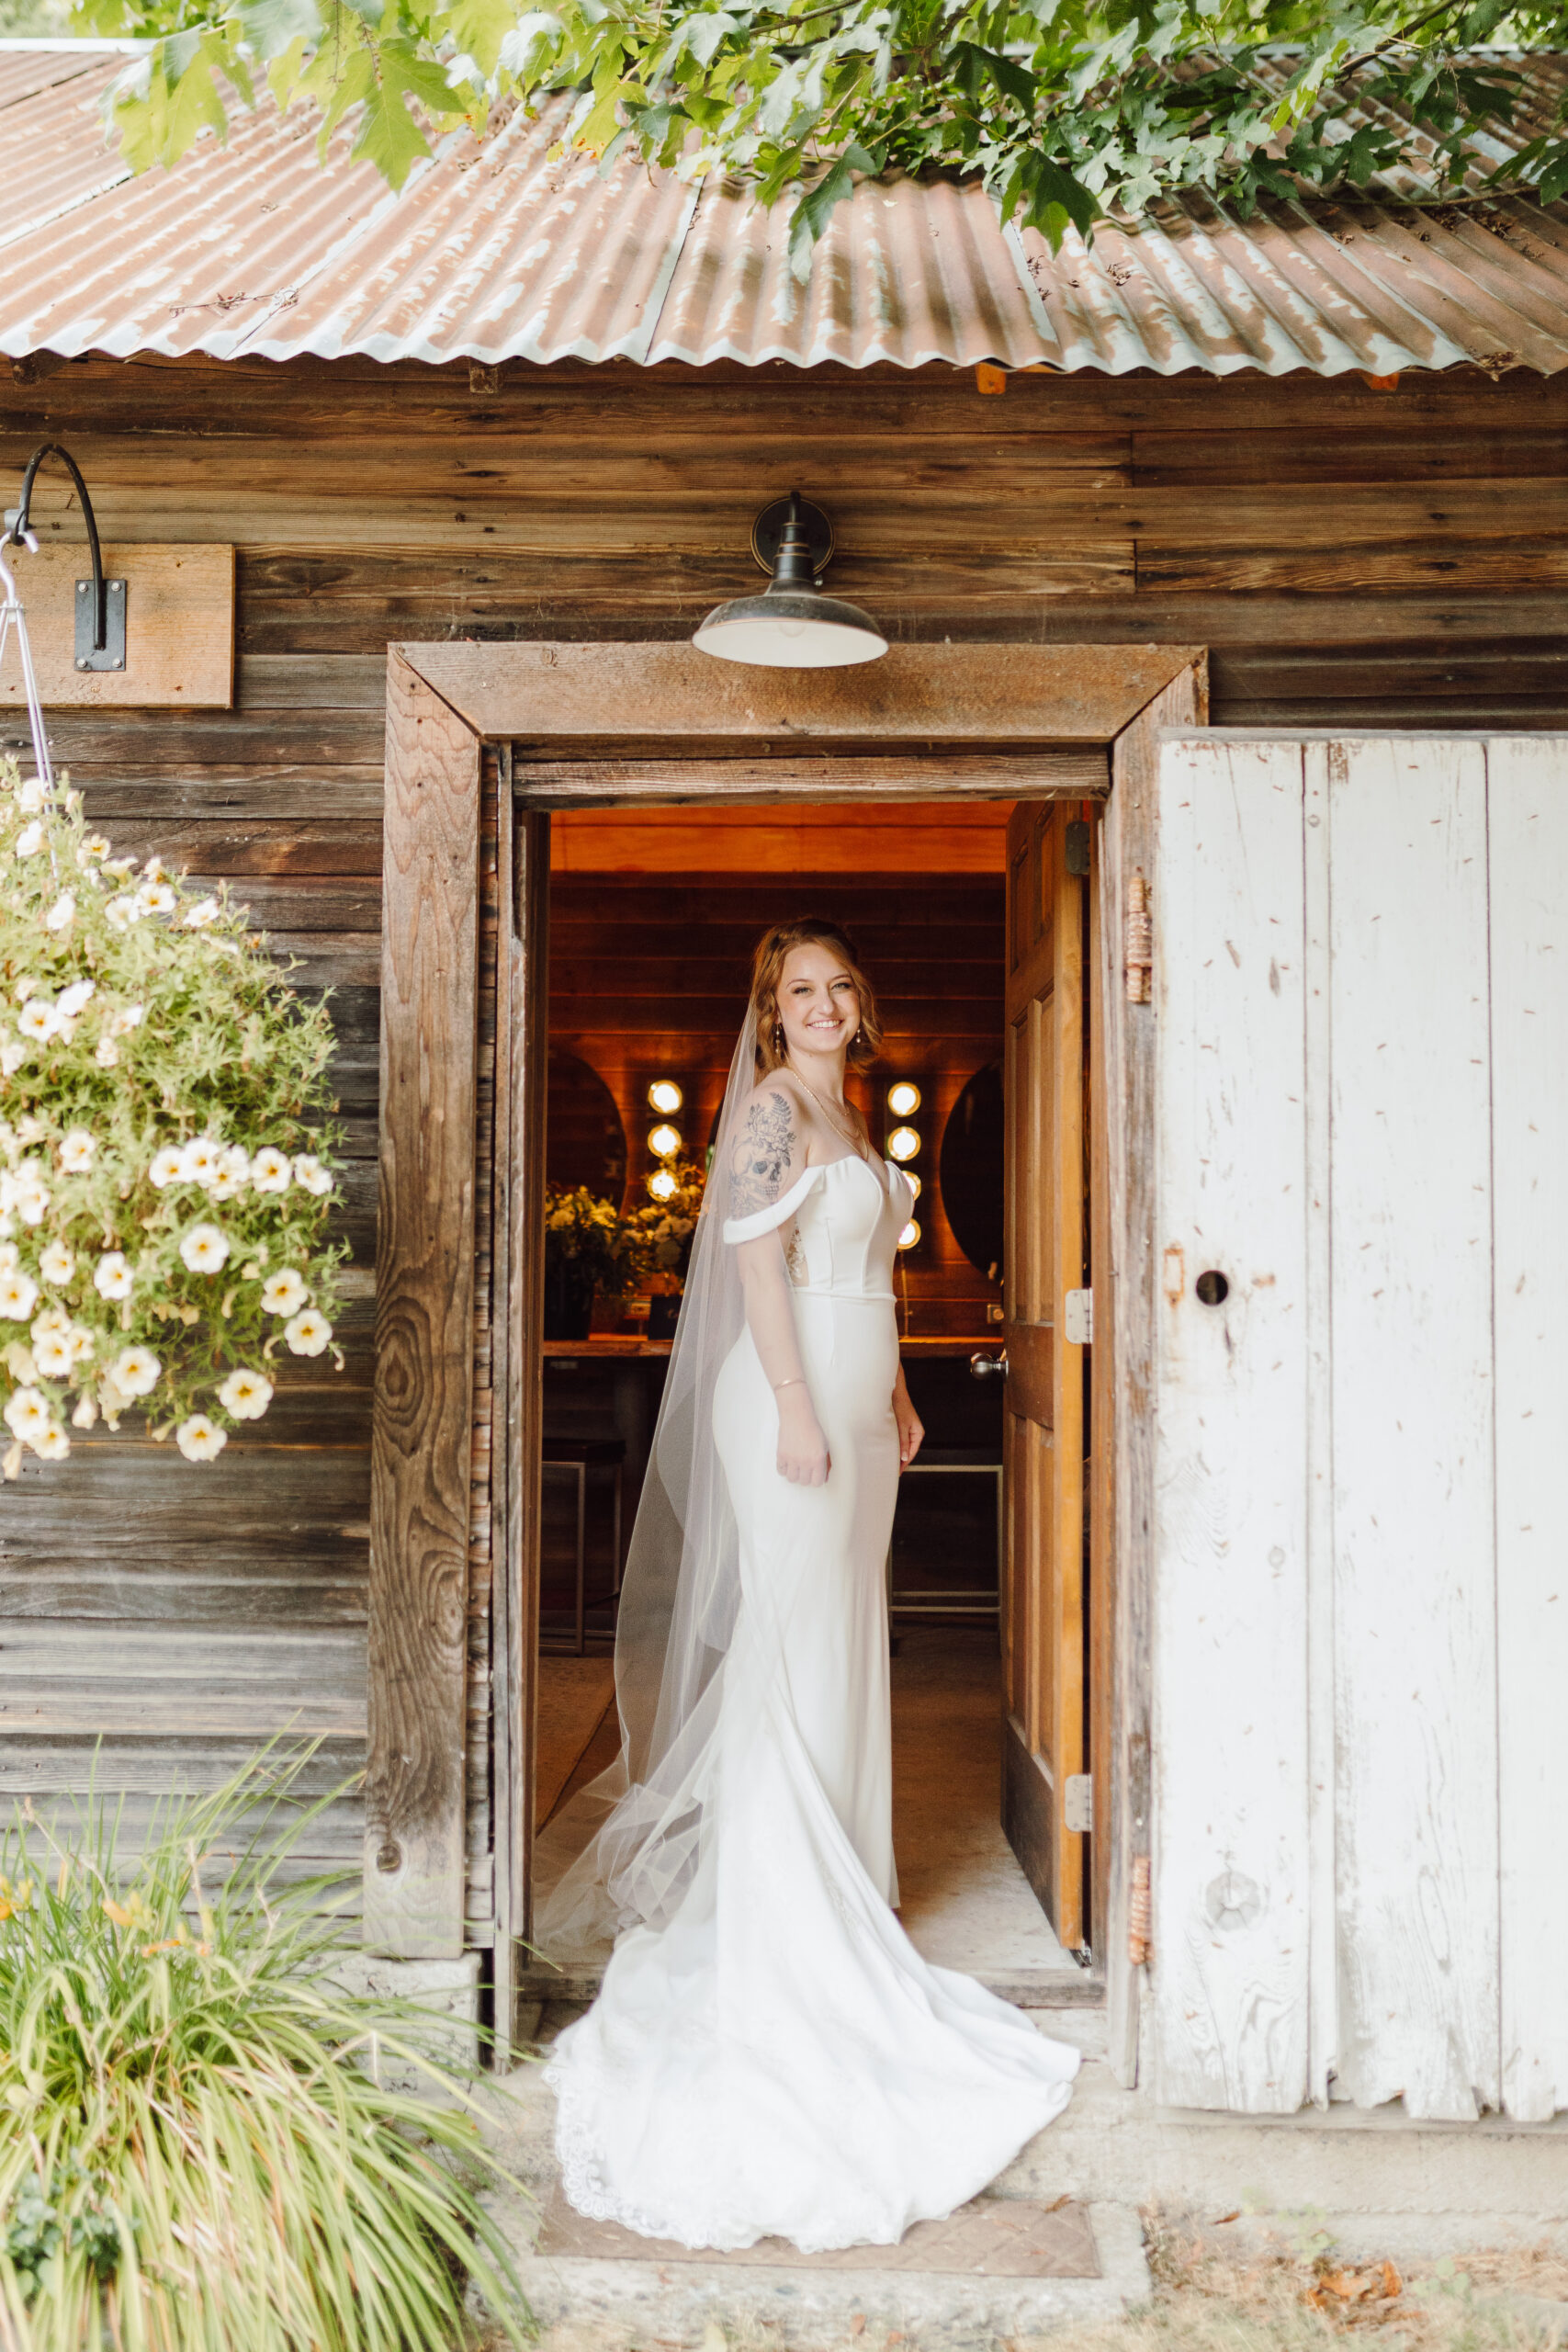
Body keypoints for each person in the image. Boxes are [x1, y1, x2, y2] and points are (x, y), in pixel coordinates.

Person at [536, 917, 1078, 2253]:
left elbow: (871, 1277)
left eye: (840, 987)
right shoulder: (773, 1110)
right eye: (801, 991)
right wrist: (792, 1402)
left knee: (845, 1632)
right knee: (789, 1639)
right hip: (785, 1397)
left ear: (861, 1005)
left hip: (854, 1387)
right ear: (769, 1013)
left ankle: (845, 1860)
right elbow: (751, 1265)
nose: (825, 1005)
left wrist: (889, 1391)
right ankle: (787, 1899)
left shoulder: (851, 1112)